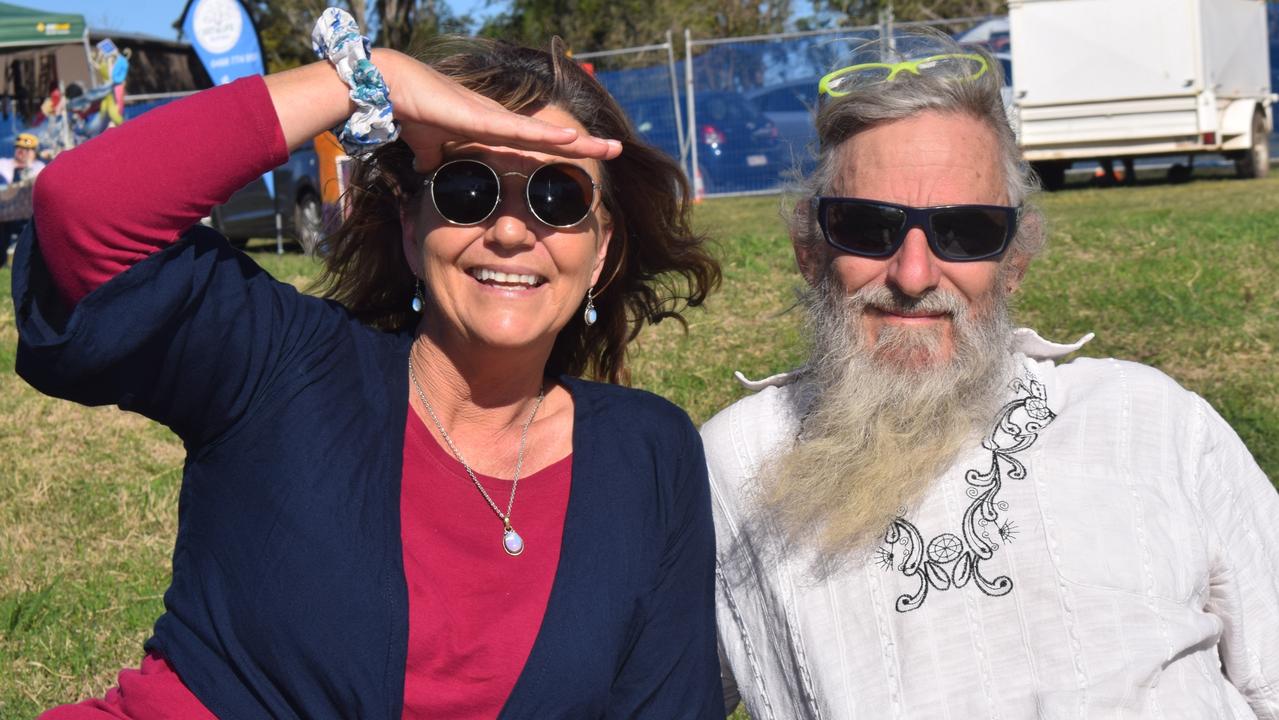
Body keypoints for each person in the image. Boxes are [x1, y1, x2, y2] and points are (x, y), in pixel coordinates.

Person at [16, 9, 722, 718]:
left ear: (599, 249)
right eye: (468, 190)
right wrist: (368, 80)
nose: (510, 230)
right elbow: (85, 211)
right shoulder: (286, 364)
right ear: (413, 233)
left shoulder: (649, 454)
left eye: (557, 195)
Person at [705, 33, 1279, 719]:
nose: (913, 277)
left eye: (966, 232)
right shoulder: (730, 466)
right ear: (809, 249)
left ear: (1012, 261)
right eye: (865, 225)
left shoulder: (1151, 418)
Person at [0, 132, 45, 267]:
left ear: (34, 152)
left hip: (28, 215)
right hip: (4, 213)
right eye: (19, 148)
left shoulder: (38, 167)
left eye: (26, 149)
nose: (22, 152)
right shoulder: (3, 164)